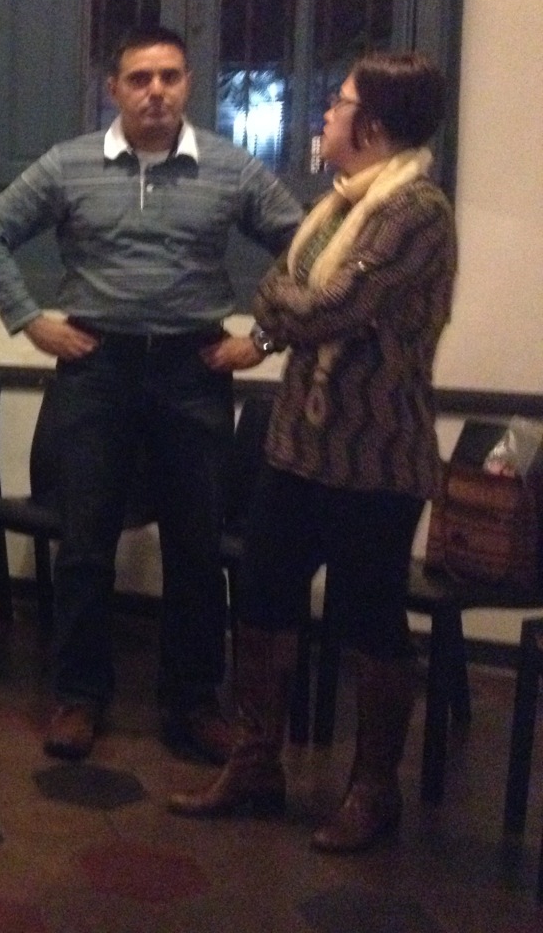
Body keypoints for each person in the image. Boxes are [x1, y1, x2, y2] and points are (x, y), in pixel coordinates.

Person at [0, 27, 304, 765]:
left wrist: (266, 337)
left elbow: (309, 248)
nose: (156, 91)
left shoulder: (230, 168)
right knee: (85, 542)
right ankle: (79, 696)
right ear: (113, 88)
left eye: (170, 77)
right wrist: (30, 321)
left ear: (188, 84)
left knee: (195, 546)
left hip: (193, 370)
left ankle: (193, 702)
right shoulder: (69, 164)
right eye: (140, 78)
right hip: (98, 368)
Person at [169, 51, 457, 853]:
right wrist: (288, 308)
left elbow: (331, 304)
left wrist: (284, 309)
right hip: (297, 446)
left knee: (368, 620)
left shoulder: (416, 210)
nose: (326, 113)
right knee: (263, 600)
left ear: (375, 124)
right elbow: (291, 296)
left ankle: (374, 791)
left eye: (340, 103)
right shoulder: (338, 207)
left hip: (376, 455)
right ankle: (256, 765)